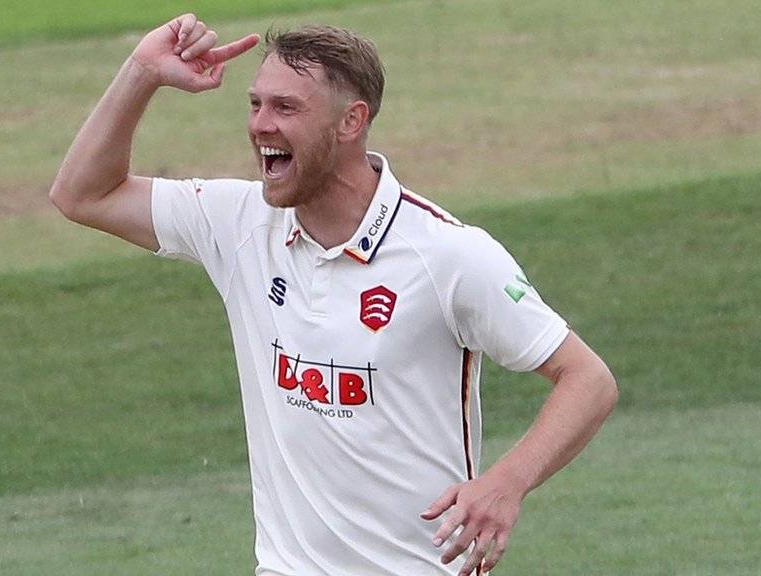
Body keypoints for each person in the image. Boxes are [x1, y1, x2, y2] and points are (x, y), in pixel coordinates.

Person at [49, 13, 618, 576]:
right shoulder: (239, 223)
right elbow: (83, 194)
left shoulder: (449, 256)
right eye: (255, 104)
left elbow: (588, 380)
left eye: (286, 108)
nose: (260, 125)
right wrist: (142, 73)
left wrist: (507, 482)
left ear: (352, 121)